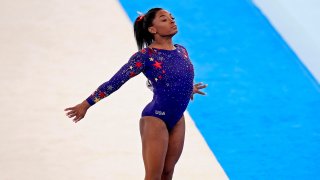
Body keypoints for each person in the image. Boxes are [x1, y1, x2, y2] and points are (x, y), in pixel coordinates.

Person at [64, 7, 207, 180]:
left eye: (172, 17)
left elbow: (174, 75)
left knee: (168, 173)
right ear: (152, 30)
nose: (172, 21)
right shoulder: (145, 56)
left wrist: (187, 89)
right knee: (153, 176)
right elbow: (115, 82)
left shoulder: (181, 50)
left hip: (177, 118)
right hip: (156, 118)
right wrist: (86, 104)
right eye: (164, 19)